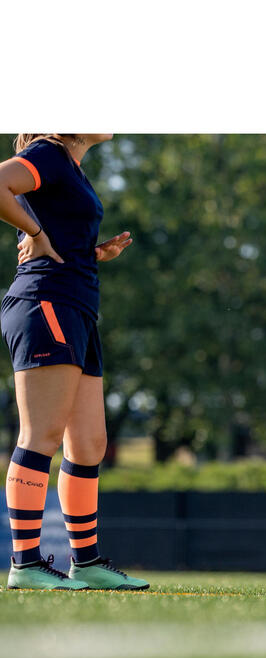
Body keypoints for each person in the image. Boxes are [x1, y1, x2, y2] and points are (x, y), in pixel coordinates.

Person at [0, 134, 148, 590]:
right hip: (47, 302)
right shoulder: (46, 151)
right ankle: (25, 563)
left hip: (77, 306)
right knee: (41, 434)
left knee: (88, 443)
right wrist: (36, 234)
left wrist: (91, 251)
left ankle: (84, 562)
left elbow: (56, 222)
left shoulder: (68, 163)